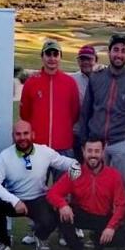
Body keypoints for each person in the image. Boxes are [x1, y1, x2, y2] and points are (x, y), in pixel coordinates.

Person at [0, 120, 79, 250]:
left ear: (33, 135)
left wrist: (69, 187)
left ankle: (40, 236)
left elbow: (71, 164)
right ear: (13, 136)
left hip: (38, 199)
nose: (22, 137)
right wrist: (15, 201)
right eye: (18, 134)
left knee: (52, 216)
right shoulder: (5, 156)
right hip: (15, 199)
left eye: (26, 133)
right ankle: (3, 243)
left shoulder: (44, 152)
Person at [46, 137, 125, 250]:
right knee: (60, 214)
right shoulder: (76, 171)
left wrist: (110, 227)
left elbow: (122, 205)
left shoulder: (114, 175)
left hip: (103, 217)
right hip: (81, 214)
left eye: (97, 151)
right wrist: (63, 205)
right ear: (83, 151)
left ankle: (98, 239)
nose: (93, 155)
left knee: (123, 238)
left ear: (103, 152)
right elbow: (53, 193)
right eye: (89, 151)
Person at [78, 34, 125, 195]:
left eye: (123, 51)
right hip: (96, 145)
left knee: (123, 190)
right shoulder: (96, 77)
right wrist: (85, 141)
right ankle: (99, 221)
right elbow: (86, 112)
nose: (119, 54)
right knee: (96, 190)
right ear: (109, 52)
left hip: (121, 144)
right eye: (115, 50)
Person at [19, 39, 80, 168]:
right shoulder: (31, 83)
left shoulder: (70, 83)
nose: (52, 58)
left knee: (64, 186)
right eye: (48, 54)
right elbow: (25, 114)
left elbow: (74, 113)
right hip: (37, 147)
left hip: (64, 146)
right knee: (35, 187)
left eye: (55, 54)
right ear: (42, 57)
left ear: (60, 57)